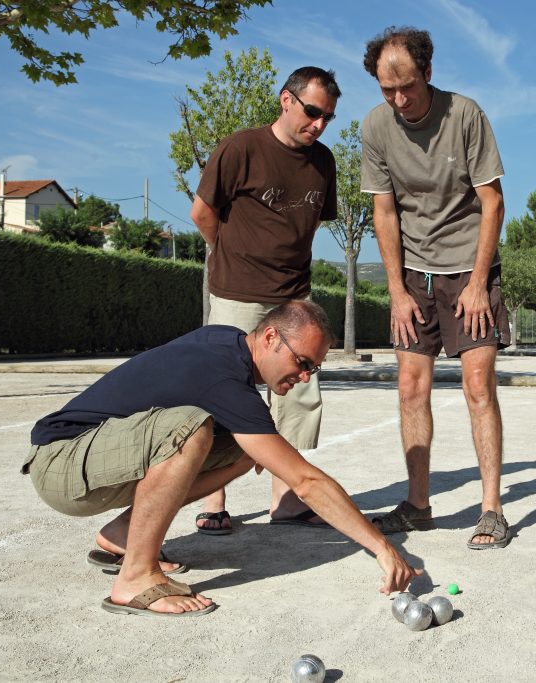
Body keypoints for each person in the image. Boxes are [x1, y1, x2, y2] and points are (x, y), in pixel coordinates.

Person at [22, 301, 421, 616]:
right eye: (302, 364)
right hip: (62, 464)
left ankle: (123, 536)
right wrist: (382, 547)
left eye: (313, 369)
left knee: (242, 449)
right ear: (270, 338)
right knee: (190, 430)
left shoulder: (226, 343)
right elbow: (306, 483)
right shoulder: (225, 379)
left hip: (86, 458)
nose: (305, 378)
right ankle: (136, 579)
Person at [359, 26, 512, 549]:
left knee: (476, 388)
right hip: (415, 277)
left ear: (427, 72)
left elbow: (493, 203)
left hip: (470, 271)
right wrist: (397, 290)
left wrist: (476, 282)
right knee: (409, 388)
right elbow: (384, 211)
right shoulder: (376, 127)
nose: (399, 100)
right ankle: (418, 504)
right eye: (387, 89)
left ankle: (492, 509)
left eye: (407, 86)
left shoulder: (465, 114)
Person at [190, 66, 340, 534]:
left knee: (300, 396)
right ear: (286, 100)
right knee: (220, 392)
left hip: (294, 298)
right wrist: (231, 256)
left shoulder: (325, 161)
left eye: (327, 118)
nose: (318, 124)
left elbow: (313, 223)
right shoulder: (242, 147)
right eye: (312, 112)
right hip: (235, 292)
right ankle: (213, 500)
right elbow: (203, 213)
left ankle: (287, 502)